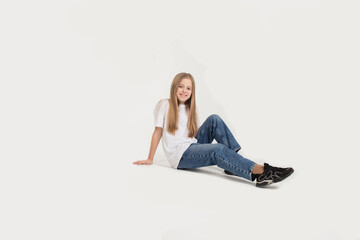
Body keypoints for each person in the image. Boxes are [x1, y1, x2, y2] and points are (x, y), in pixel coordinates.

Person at [133, 72, 294, 187]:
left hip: (190, 145)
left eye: (188, 88)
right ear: (174, 88)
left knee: (214, 119)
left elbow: (190, 136)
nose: (184, 91)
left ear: (192, 92)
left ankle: (233, 163)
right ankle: (261, 172)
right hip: (179, 156)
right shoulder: (165, 104)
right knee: (218, 150)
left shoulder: (190, 109)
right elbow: (158, 132)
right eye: (181, 86)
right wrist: (150, 158)